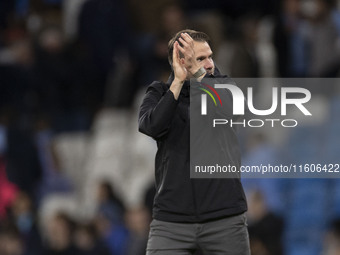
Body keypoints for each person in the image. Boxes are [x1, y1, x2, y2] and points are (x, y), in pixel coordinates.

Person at [138, 29, 250, 255]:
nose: (209, 64)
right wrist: (177, 84)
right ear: (181, 62)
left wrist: (198, 74)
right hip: (171, 222)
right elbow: (151, 126)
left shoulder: (224, 85)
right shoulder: (159, 92)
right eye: (199, 59)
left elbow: (234, 111)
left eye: (210, 56)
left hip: (224, 218)